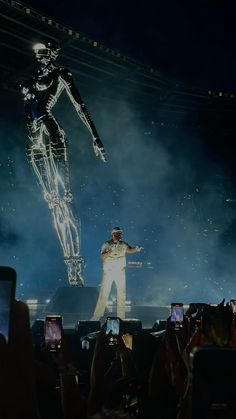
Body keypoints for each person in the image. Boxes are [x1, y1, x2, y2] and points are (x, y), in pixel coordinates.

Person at [21, 40, 107, 286]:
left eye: (45, 53)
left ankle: (76, 267)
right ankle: (70, 267)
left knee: (64, 202)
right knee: (52, 205)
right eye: (38, 54)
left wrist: (96, 137)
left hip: (51, 134)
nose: (40, 57)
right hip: (33, 139)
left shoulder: (61, 74)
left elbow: (80, 106)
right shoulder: (29, 81)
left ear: (53, 54)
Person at [92, 227, 143, 320]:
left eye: (120, 233)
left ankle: (121, 317)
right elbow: (103, 257)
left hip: (120, 271)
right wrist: (110, 250)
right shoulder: (106, 244)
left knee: (121, 293)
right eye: (118, 233)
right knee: (104, 293)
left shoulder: (123, 244)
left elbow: (129, 249)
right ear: (113, 234)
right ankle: (97, 316)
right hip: (109, 271)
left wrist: (136, 249)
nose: (120, 235)